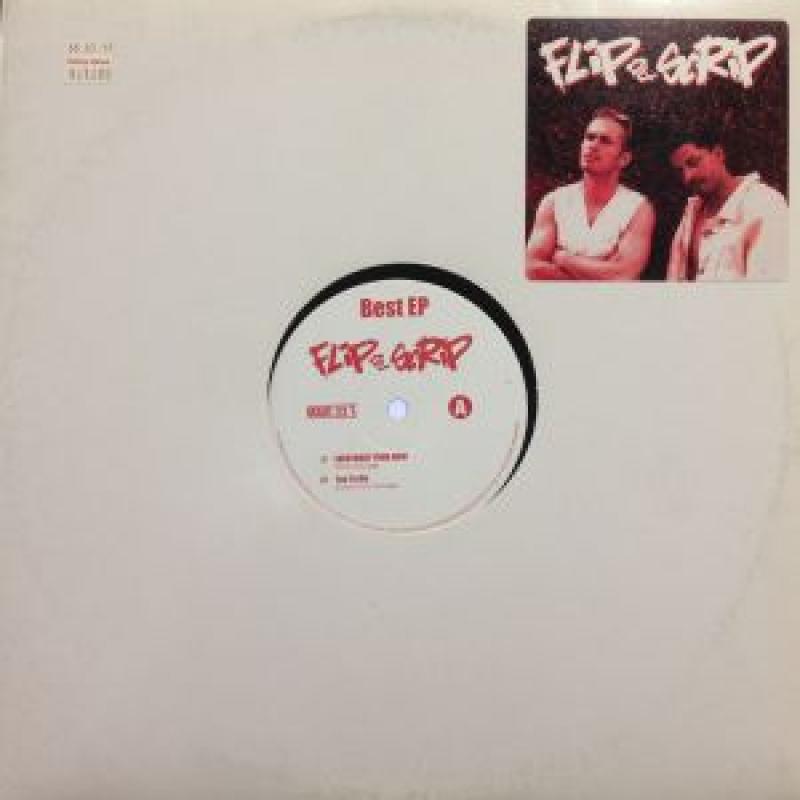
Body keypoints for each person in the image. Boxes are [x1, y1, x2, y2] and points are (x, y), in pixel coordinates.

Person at [525, 107, 655, 281]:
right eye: (590, 137)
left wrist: (564, 259)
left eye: (605, 141)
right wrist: (600, 273)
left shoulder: (638, 208)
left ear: (623, 159)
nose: (593, 145)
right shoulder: (554, 201)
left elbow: (624, 274)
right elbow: (531, 268)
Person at [666, 125, 788, 281]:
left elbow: (768, 287)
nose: (687, 177)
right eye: (680, 171)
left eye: (693, 162)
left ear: (718, 154)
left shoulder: (765, 205)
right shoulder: (691, 211)